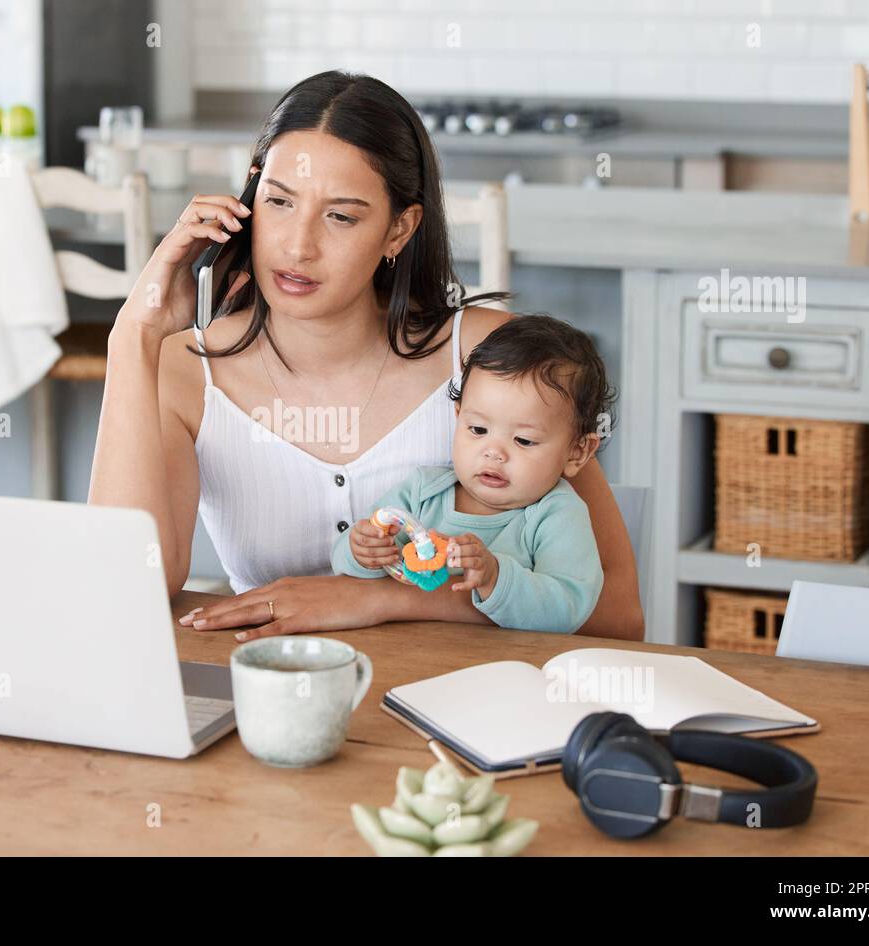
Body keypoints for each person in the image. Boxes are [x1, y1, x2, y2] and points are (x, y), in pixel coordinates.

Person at [88, 70, 644, 641]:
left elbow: (618, 613)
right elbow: (120, 588)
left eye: (341, 216)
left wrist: (375, 599)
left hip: (467, 698)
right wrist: (132, 335)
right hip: (276, 693)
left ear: (399, 229)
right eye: (279, 202)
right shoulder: (185, 371)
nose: (298, 246)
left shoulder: (487, 358)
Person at [334, 315, 610, 633]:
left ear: (577, 452)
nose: (494, 452)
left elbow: (568, 610)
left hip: (503, 671)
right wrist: (361, 552)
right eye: (478, 429)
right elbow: (350, 567)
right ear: (457, 417)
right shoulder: (422, 492)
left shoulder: (556, 514)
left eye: (523, 440)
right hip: (408, 659)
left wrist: (495, 576)